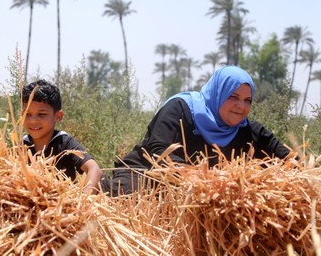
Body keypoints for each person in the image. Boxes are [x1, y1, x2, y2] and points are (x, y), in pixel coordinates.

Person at [101, 65, 294, 197]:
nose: (240, 106)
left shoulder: (250, 132)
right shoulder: (181, 108)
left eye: (247, 100)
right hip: (148, 175)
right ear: (218, 93)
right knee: (132, 199)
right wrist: (203, 179)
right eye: (233, 96)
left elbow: (291, 161)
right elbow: (158, 151)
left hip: (202, 195)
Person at [22, 79, 103, 194]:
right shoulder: (21, 146)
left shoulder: (64, 142)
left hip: (63, 208)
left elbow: (94, 169)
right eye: (28, 114)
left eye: (42, 114)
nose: (33, 121)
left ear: (58, 116)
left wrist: (84, 200)